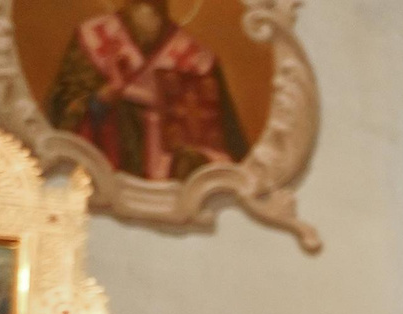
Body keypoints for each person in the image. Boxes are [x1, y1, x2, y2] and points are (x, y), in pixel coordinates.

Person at [44, 0, 249, 183]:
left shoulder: (198, 61)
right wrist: (104, 97)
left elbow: (229, 154)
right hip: (103, 185)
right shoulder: (91, 38)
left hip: (172, 198)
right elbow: (59, 118)